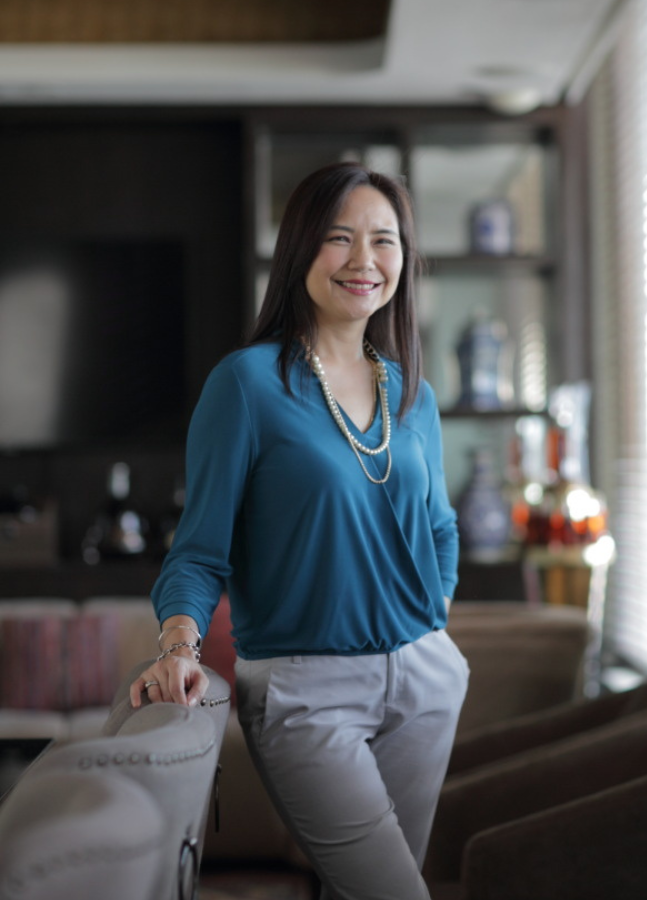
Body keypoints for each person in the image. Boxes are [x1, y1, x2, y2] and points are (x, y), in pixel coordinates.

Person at [130, 161, 469, 899]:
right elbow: (198, 551)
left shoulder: (413, 393)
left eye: (384, 240)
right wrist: (179, 646)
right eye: (338, 238)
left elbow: (441, 527)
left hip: (425, 679)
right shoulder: (248, 385)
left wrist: (429, 622)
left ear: (404, 261)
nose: (363, 261)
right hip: (306, 692)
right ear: (299, 251)